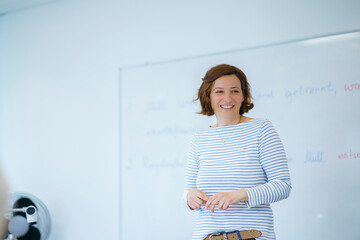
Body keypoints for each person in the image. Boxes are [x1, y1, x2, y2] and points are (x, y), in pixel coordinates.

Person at [183, 64, 291, 240]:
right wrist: (189, 198)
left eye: (234, 91)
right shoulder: (198, 139)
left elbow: (283, 185)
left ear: (243, 96)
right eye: (219, 91)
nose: (227, 98)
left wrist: (240, 194)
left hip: (251, 236)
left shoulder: (262, 129)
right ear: (208, 96)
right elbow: (188, 192)